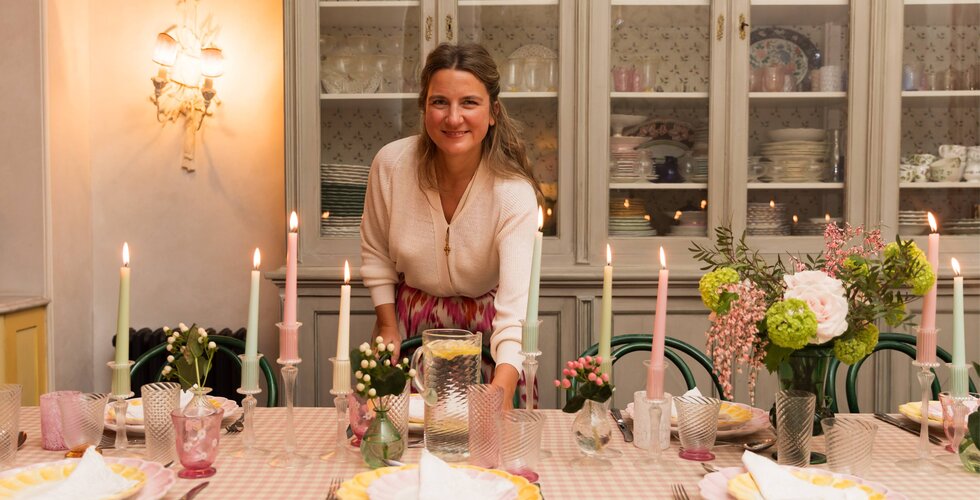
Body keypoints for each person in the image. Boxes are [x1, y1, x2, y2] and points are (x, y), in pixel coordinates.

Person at [360, 43, 541, 407]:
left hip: (490, 337)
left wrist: (503, 386)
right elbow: (376, 253)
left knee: (485, 454)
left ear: (493, 112)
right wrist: (388, 325)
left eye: (469, 103)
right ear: (424, 108)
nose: (453, 118)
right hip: (409, 324)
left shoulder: (514, 193)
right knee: (398, 448)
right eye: (439, 102)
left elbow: (514, 314)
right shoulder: (391, 166)